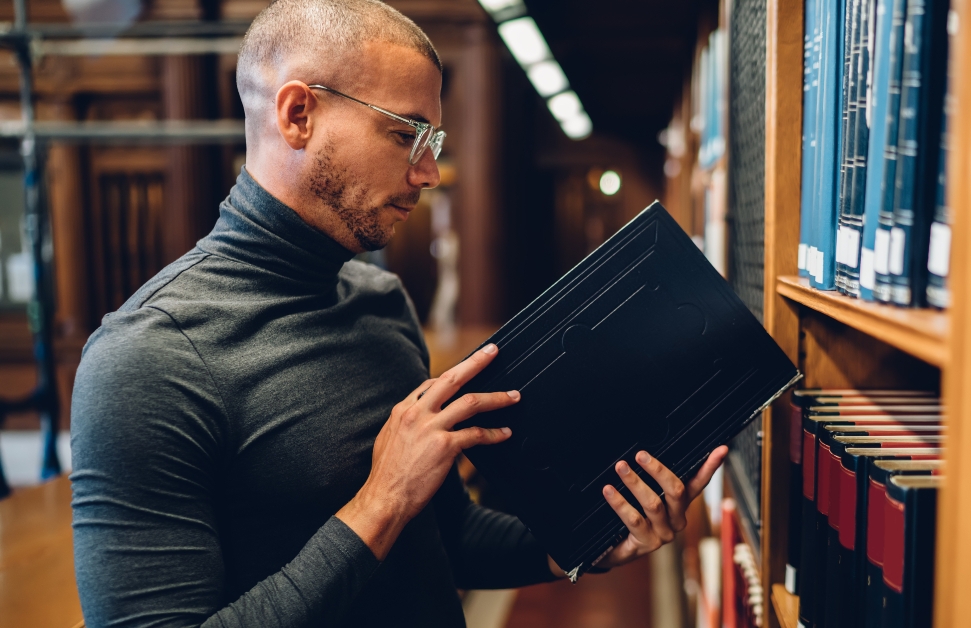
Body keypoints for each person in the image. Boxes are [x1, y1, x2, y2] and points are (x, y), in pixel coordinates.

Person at [69, 1, 727, 626]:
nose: (429, 172)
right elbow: (392, 511)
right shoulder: (146, 359)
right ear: (298, 114)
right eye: (407, 133)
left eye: (433, 138)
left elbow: (447, 539)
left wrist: (584, 543)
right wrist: (380, 503)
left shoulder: (378, 301)